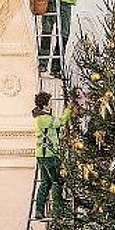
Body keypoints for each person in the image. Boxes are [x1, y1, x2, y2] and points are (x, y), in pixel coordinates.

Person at [33, 91, 71, 220]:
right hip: (49, 155)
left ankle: (39, 210)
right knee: (57, 181)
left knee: (45, 182)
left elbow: (53, 131)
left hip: (42, 155)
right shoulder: (44, 118)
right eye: (50, 102)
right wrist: (69, 110)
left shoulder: (40, 117)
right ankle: (58, 212)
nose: (51, 105)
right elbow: (59, 122)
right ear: (45, 105)